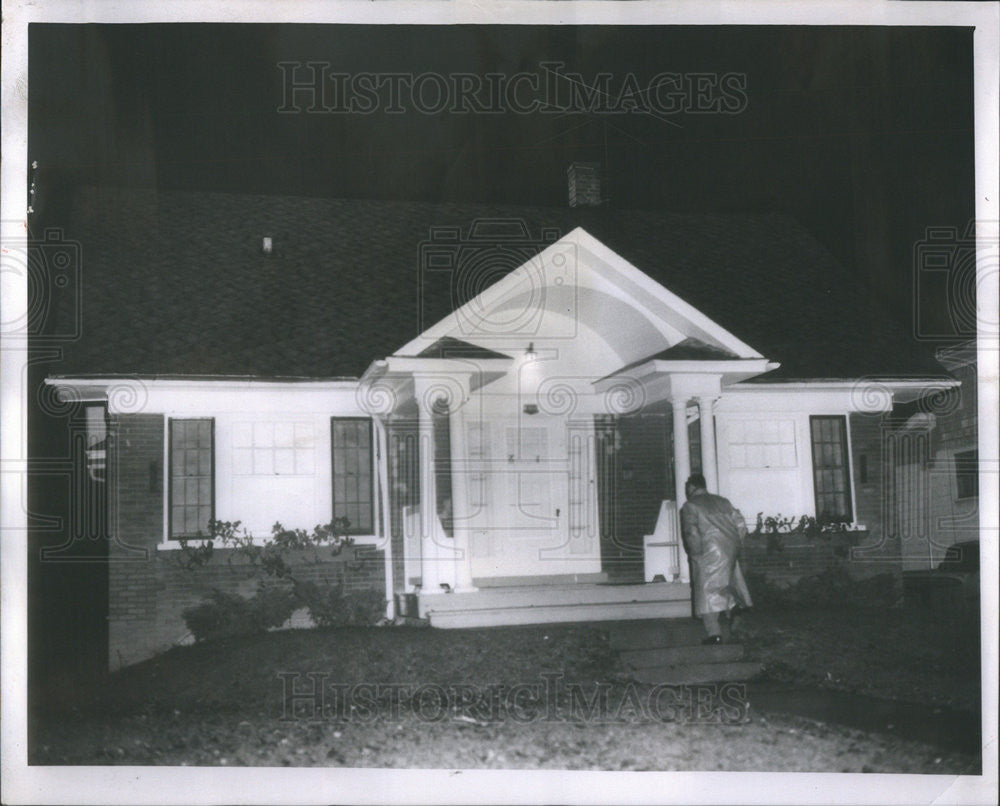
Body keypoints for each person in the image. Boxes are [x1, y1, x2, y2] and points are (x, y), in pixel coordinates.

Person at [679, 473, 752, 644]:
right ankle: (734, 609)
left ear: (691, 487)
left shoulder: (690, 506)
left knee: (706, 592)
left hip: (709, 551)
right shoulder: (723, 501)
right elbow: (740, 524)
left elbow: (691, 532)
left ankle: (714, 634)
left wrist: (696, 553)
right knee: (726, 584)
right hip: (729, 549)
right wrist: (735, 544)